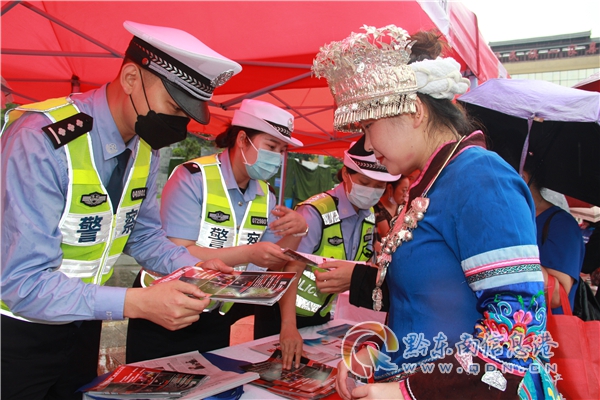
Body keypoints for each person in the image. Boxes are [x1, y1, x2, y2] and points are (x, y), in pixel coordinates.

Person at [311, 26, 556, 399]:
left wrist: (406, 392)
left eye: (369, 125)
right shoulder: (431, 183)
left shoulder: (481, 178)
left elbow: (516, 328)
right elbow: (429, 302)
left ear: (414, 112)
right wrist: (380, 352)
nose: (368, 144)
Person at [0, 21, 241, 399]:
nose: (179, 125)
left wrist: (195, 266)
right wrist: (135, 304)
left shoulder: (146, 147)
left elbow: (143, 235)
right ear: (131, 78)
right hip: (16, 331)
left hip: (83, 322)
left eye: (187, 115)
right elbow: (22, 282)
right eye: (173, 107)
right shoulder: (41, 140)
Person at [126, 99, 308, 362]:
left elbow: (274, 262)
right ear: (242, 139)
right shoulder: (193, 177)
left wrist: (297, 231)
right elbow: (176, 252)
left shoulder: (266, 194)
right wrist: (248, 253)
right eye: (271, 147)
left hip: (216, 310)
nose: (276, 157)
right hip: (167, 306)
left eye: (281, 150)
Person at [254, 136, 399, 368]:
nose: (372, 191)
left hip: (320, 315)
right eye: (365, 182)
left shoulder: (369, 215)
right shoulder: (314, 212)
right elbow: (290, 268)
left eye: (379, 186)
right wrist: (288, 326)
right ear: (346, 174)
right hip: (282, 315)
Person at [522, 152, 585, 312]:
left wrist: (513, 242)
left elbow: (556, 296)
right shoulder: (514, 219)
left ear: (523, 178)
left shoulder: (562, 225)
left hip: (540, 326)